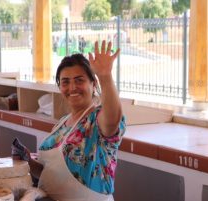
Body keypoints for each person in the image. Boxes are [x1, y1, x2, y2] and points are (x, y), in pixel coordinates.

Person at [13, 40, 125, 201]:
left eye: (79, 80)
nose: (72, 87)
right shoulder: (62, 124)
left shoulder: (97, 119)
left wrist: (105, 75)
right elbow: (47, 172)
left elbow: (113, 119)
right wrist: (28, 161)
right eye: (65, 82)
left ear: (93, 84)